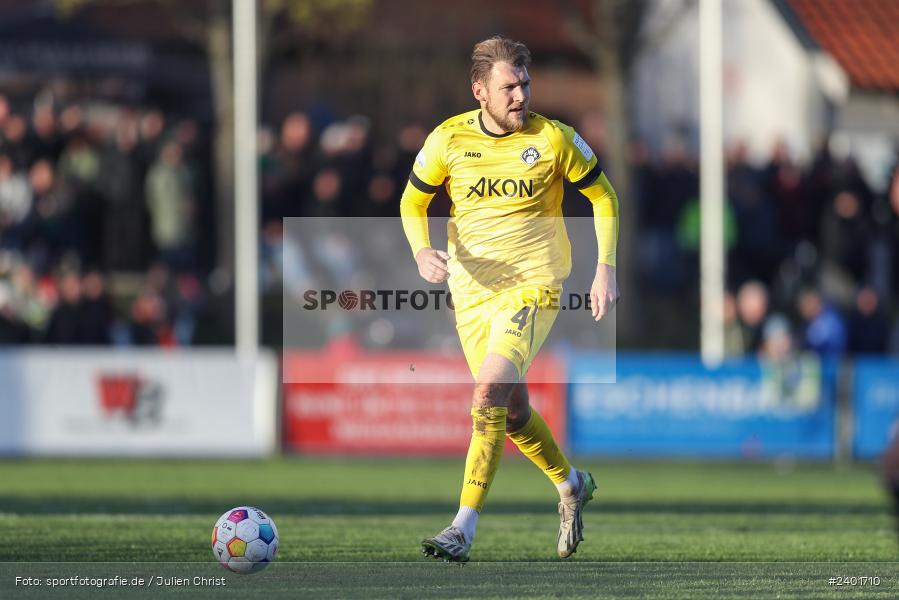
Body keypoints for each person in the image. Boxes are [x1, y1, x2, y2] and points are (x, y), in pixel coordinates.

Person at [399, 36, 619, 562]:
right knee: (511, 410)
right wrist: (421, 251)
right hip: (471, 293)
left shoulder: (555, 139)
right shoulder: (448, 139)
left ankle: (462, 526)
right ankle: (570, 485)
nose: (520, 95)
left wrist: (604, 267)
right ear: (479, 91)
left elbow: (603, 196)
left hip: (535, 284)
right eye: (508, 86)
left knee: (486, 394)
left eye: (525, 83)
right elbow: (413, 198)